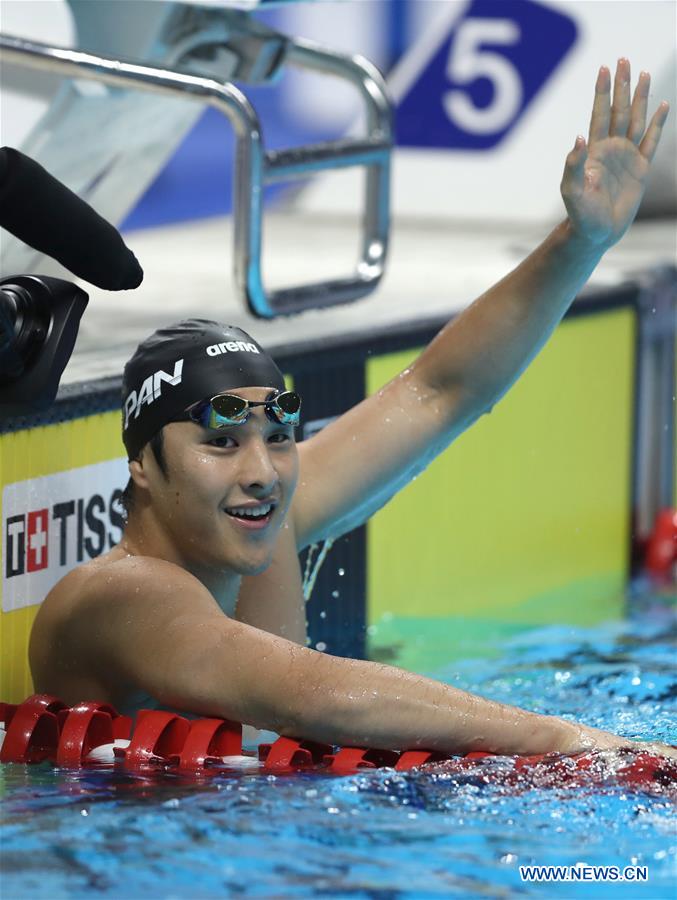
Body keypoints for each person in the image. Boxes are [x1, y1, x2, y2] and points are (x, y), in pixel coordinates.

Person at [29, 60, 675, 759]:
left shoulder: (262, 528)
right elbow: (316, 696)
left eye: (277, 438)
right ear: (144, 466)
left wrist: (578, 242)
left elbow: (439, 391)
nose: (262, 471)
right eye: (221, 444)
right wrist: (566, 739)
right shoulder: (121, 597)